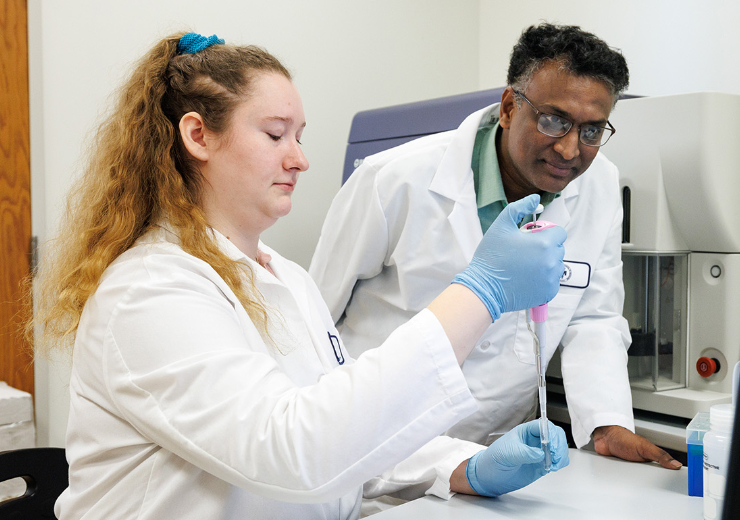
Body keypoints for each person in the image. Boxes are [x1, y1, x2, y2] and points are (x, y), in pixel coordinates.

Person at [29, 32, 570, 520]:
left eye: (299, 136)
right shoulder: (148, 290)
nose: (300, 160)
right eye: (274, 135)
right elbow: (291, 451)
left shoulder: (284, 277)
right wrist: (480, 293)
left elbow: (342, 421)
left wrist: (459, 466)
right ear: (198, 136)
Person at [310, 23, 683, 471]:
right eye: (553, 120)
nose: (570, 149)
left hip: (500, 459)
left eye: (591, 130)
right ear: (509, 107)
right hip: (380, 453)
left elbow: (594, 315)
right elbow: (315, 322)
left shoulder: (599, 183)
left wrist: (606, 423)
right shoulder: (393, 180)